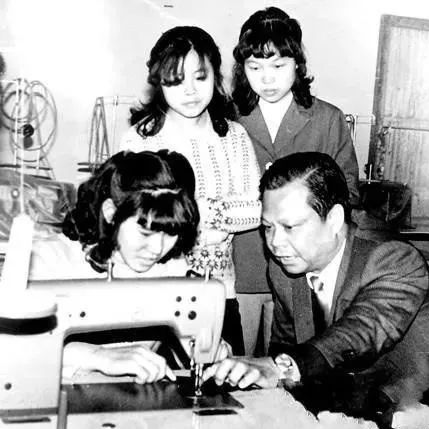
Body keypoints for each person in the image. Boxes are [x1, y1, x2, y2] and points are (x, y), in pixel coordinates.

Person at [204, 152, 429, 414]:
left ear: (333, 219)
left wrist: (282, 367)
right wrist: (249, 372)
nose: (274, 243)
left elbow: (360, 332)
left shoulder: (394, 258)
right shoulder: (284, 268)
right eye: (268, 227)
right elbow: (286, 349)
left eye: (289, 227)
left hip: (422, 411)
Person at [120, 26, 262, 355]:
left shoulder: (234, 136)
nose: (190, 91)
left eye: (200, 77)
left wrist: (191, 211)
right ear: (159, 81)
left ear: (216, 76)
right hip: (155, 292)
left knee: (224, 376)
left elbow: (256, 209)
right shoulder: (140, 140)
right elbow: (134, 215)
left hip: (221, 293)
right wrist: (214, 215)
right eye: (175, 80)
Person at [231, 7, 360, 325]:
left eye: (278, 65)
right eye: (255, 67)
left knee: (297, 353)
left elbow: (348, 194)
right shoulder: (227, 119)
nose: (267, 78)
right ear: (243, 69)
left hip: (305, 272)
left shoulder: (328, 119)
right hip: (239, 267)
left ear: (297, 64)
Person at [29, 150, 201, 383]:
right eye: (145, 232)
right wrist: (97, 356)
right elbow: (17, 346)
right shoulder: (50, 259)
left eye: (170, 233)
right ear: (111, 213)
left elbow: (194, 337)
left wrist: (216, 355)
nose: (157, 248)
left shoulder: (172, 268)